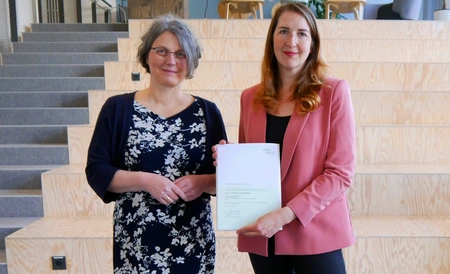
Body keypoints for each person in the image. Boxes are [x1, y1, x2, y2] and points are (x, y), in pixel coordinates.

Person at [213, 2, 356, 274]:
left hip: (314, 230)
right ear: (272, 40)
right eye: (284, 31)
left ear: (312, 44)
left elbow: (340, 173)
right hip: (264, 234)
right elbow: (254, 163)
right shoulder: (249, 98)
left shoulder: (334, 92)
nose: (292, 41)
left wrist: (285, 214)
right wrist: (231, 159)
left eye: (302, 33)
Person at [85, 14, 227, 274]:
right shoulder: (117, 108)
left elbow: (225, 176)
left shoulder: (208, 112)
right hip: (136, 240)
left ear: (191, 61)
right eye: (162, 51)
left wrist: (201, 182)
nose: (171, 60)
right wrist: (144, 180)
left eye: (181, 54)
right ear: (147, 55)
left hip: (192, 239)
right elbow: (97, 170)